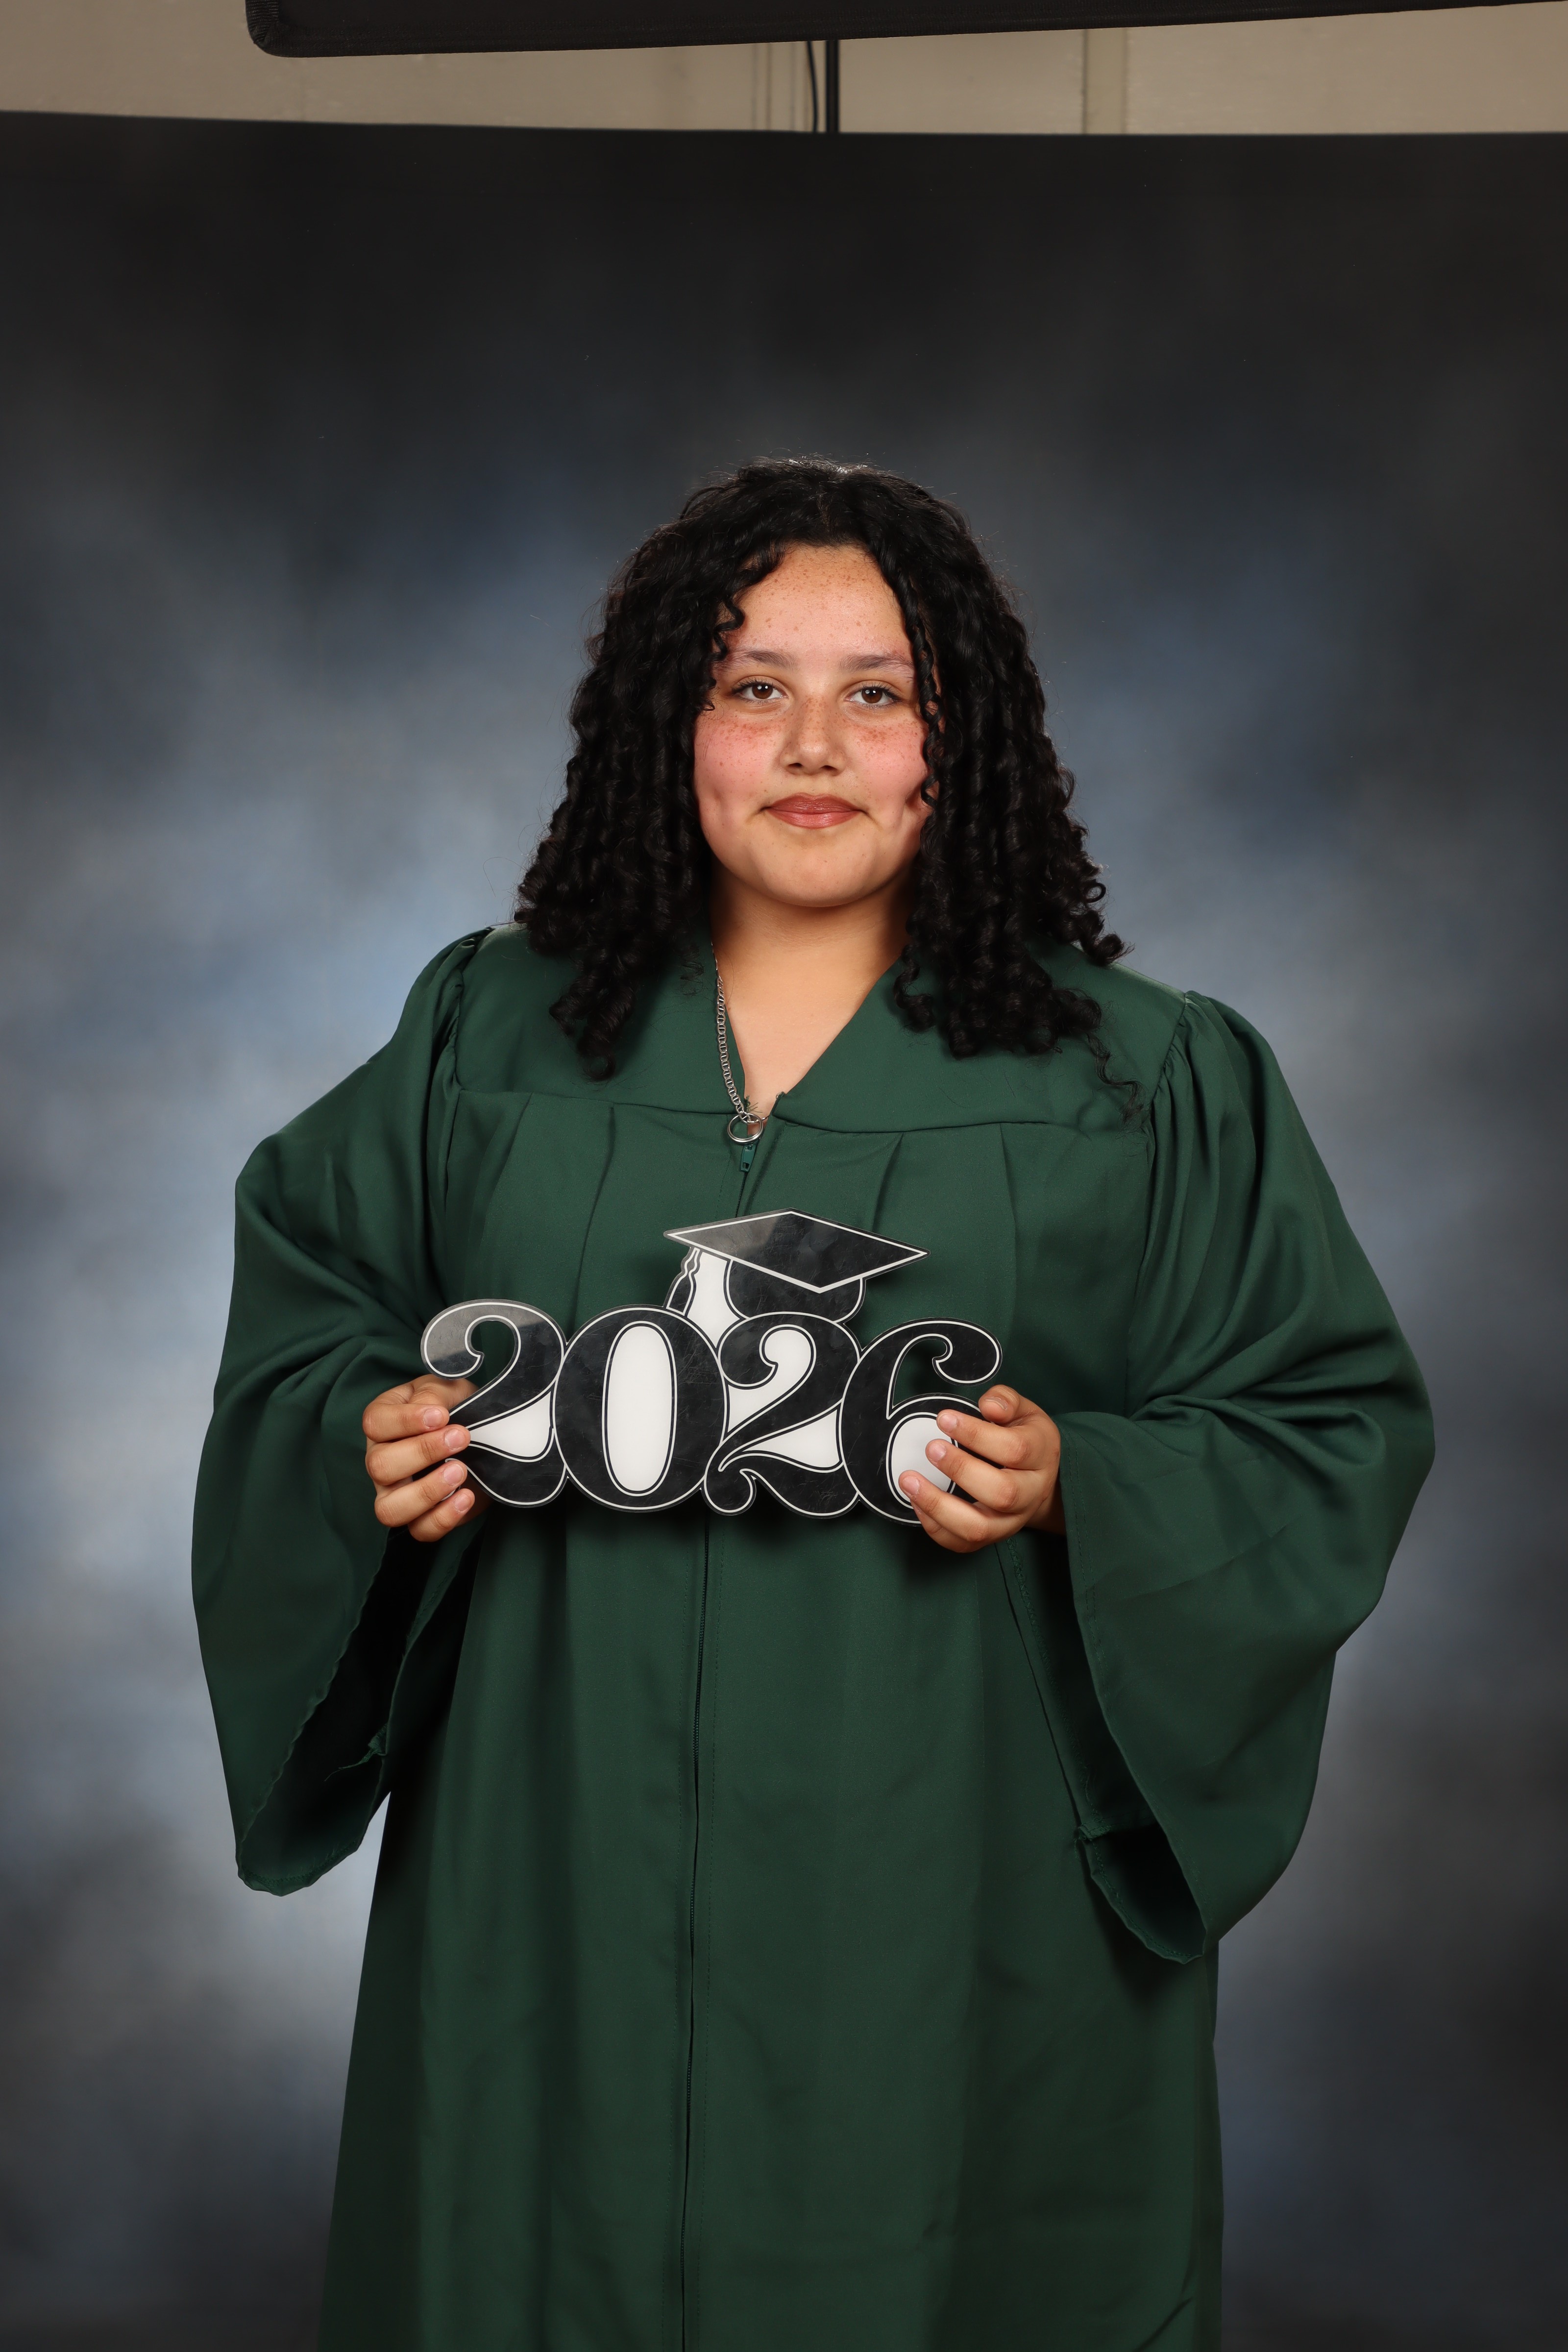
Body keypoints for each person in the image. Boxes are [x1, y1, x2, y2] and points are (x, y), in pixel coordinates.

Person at [193, 458, 1433, 2352]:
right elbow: (312, 1305)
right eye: (752, 685)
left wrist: (1083, 1478)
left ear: (962, 741)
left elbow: (1322, 1419)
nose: (814, 744)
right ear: (668, 728)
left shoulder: (1141, 1077)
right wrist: (357, 1432)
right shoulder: (486, 1035)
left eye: (881, 692)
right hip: (559, 1864)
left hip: (953, 1888)